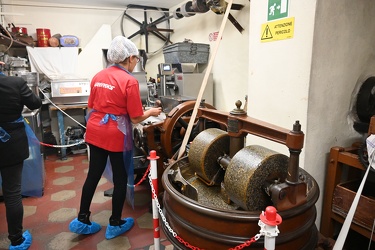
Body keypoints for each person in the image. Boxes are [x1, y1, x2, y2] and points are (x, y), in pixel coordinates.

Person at [69, 36, 162, 239]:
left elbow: (92, 106)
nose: (136, 62)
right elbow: (136, 117)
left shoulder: (98, 75)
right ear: (129, 58)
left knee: (93, 175)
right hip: (115, 134)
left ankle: (82, 219)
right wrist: (152, 113)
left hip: (94, 130)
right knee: (121, 178)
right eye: (136, 58)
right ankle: (115, 223)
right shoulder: (129, 81)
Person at [0, 61, 42, 249]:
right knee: (12, 193)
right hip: (10, 145)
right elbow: (35, 103)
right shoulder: (14, 83)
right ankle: (16, 239)